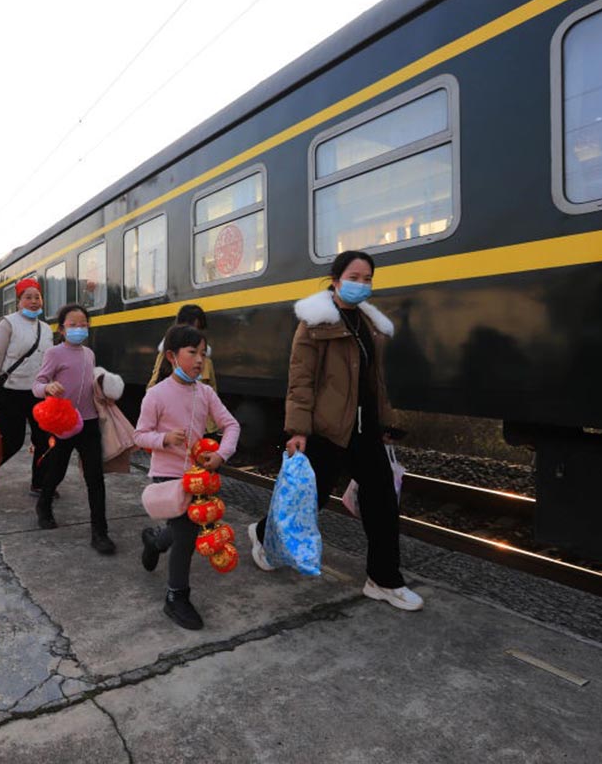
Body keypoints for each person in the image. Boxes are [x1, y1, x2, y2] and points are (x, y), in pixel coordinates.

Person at [248, 250, 422, 611]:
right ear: (336, 279)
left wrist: (385, 422)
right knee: (311, 500)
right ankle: (264, 534)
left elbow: (375, 383)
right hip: (326, 430)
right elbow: (301, 382)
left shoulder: (368, 325)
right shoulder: (316, 323)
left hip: (364, 431)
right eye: (355, 277)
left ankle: (383, 580)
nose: (362, 284)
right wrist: (297, 429)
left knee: (383, 504)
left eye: (368, 278)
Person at [135, 324, 240, 630]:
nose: (199, 360)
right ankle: (175, 596)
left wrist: (221, 455)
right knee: (185, 535)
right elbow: (139, 436)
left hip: (198, 477)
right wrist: (164, 439)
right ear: (171, 356)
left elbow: (231, 425)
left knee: (183, 530)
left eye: (203, 354)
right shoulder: (156, 395)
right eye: (192, 352)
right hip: (167, 477)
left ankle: (155, 541)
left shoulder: (205, 392)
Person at [32, 303, 115, 554]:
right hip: (63, 423)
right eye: (73, 325)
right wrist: (47, 388)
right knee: (56, 471)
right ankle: (44, 504)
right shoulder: (54, 354)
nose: (79, 329)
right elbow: (37, 384)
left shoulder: (89, 354)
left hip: (88, 423)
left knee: (95, 478)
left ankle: (100, 533)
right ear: (61, 329)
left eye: (83, 324)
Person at [0, 277, 54, 495]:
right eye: (28, 297)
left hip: (38, 393)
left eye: (37, 297)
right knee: (12, 441)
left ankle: (39, 483)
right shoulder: (7, 323)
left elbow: (48, 361)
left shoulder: (46, 329)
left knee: (43, 440)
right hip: (12, 393)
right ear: (19, 301)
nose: (34, 301)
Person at [146, 304, 217, 392]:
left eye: (199, 329)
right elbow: (152, 388)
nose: (196, 334)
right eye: (192, 328)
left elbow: (213, 392)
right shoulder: (165, 356)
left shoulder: (206, 361)